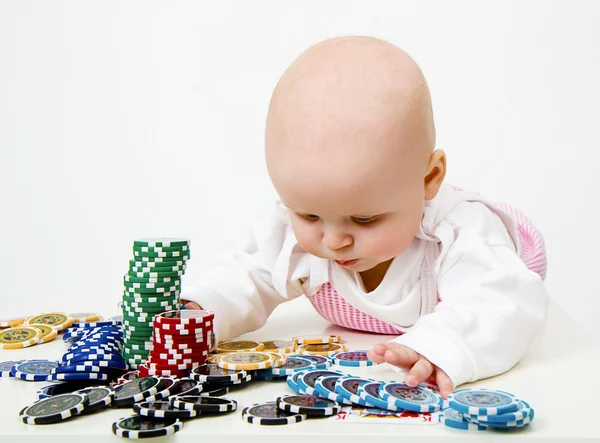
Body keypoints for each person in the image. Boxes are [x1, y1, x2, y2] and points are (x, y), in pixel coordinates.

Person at [181, 36, 548, 399]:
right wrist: (200, 311)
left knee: (497, 283)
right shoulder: (296, 228)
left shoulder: (457, 232)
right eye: (309, 214)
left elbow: (499, 303)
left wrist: (441, 346)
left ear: (429, 179)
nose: (333, 239)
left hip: (501, 267)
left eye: (364, 219)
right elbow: (248, 274)